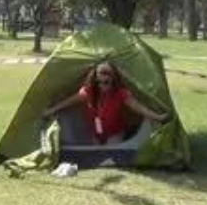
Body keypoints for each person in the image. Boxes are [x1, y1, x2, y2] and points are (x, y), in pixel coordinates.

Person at [42, 61, 171, 145]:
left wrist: (157, 117)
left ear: (113, 78)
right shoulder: (88, 91)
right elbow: (68, 102)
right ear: (95, 78)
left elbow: (138, 107)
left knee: (109, 151)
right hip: (95, 133)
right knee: (96, 151)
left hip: (115, 132)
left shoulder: (121, 94)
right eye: (99, 82)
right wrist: (51, 110)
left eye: (106, 81)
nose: (102, 85)